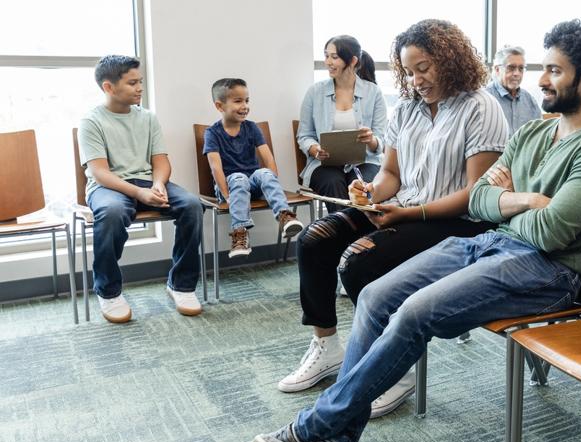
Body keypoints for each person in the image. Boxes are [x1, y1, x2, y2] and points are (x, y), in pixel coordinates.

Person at [239, 17, 581, 442]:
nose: (542, 80)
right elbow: (480, 196)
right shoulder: (535, 133)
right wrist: (521, 201)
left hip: (548, 272)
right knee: (374, 296)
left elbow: (551, 233)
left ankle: (310, 431)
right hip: (491, 242)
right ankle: (337, 439)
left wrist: (504, 205)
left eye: (555, 71)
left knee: (412, 312)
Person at [278, 20, 506, 421]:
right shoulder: (406, 110)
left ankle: (395, 365)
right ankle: (327, 348)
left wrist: (407, 212)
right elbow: (391, 176)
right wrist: (368, 194)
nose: (417, 79)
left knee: (361, 261)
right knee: (314, 239)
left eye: (425, 68)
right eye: (409, 71)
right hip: (405, 206)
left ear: (450, 61)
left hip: (459, 222)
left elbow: (476, 193)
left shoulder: (480, 106)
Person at [78, 55, 205, 323]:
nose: (140, 88)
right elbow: (100, 173)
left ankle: (180, 285)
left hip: (148, 181)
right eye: (132, 83)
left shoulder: (147, 118)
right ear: (108, 87)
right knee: (112, 212)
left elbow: (161, 161)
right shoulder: (91, 121)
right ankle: (108, 290)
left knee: (192, 205)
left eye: (141, 82)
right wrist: (138, 193)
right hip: (108, 187)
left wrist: (158, 184)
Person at [203, 78, 304, 258]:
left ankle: (285, 216)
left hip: (253, 185)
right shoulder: (212, 133)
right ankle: (240, 232)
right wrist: (227, 196)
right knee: (238, 178)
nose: (245, 105)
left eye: (247, 100)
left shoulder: (252, 128)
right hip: (229, 187)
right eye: (238, 101)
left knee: (264, 172)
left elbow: (268, 158)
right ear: (220, 106)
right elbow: (216, 168)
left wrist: (270, 182)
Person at [297, 35, 387, 213]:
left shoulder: (374, 93)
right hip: (325, 165)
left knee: (362, 187)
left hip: (366, 161)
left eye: (334, 57)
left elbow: (382, 140)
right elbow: (304, 135)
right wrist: (315, 149)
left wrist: (371, 140)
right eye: (326, 55)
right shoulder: (315, 92)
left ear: (353, 60)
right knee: (333, 183)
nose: (328, 62)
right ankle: (350, 237)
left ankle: (346, 236)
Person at [485, 45, 542, 135]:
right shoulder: (485, 98)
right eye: (511, 68)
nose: (517, 73)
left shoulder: (529, 100)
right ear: (497, 70)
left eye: (521, 68)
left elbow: (539, 134)